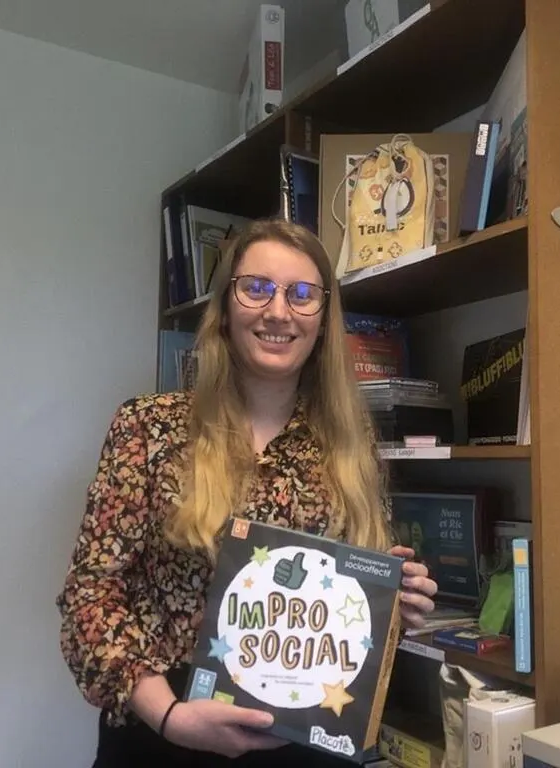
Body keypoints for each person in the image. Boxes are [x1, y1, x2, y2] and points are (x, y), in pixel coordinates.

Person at [56, 218, 439, 767]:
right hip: (165, 734)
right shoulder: (148, 427)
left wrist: (398, 601)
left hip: (308, 741)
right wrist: (170, 716)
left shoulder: (351, 446)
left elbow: (350, 614)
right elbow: (89, 598)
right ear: (226, 307)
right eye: (256, 288)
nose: (278, 311)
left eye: (302, 294)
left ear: (323, 320)